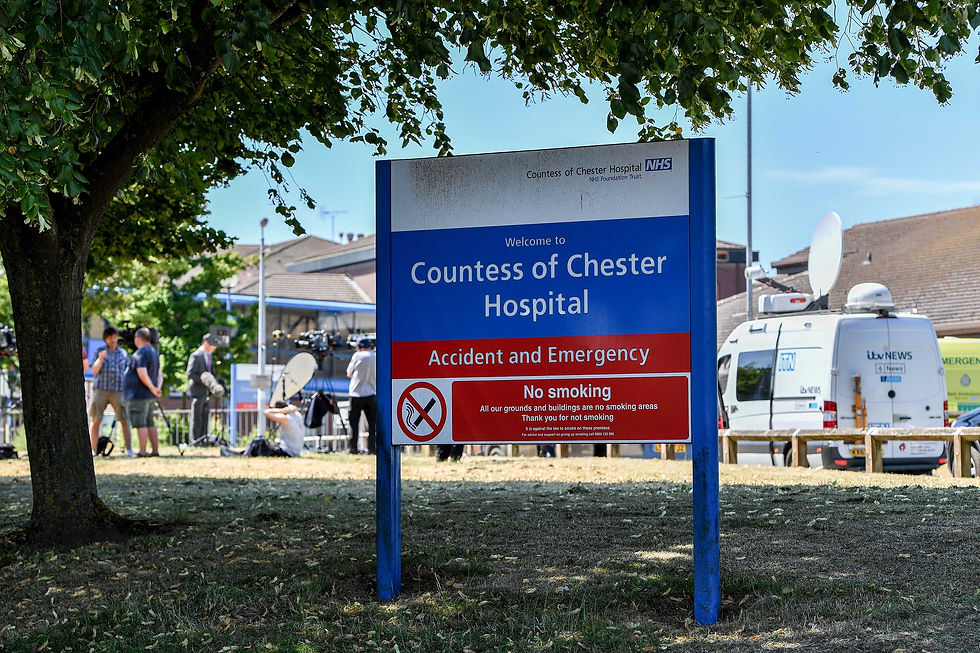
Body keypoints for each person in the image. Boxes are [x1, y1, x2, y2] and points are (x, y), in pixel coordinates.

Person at [88, 326, 134, 456]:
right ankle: (93, 449)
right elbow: (94, 371)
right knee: (96, 419)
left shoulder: (123, 353)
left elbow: (128, 371)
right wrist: (100, 359)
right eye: (110, 337)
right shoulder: (99, 351)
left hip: (118, 390)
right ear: (105, 339)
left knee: (124, 419)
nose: (113, 340)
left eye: (115, 337)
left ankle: (129, 449)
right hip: (101, 389)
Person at [123, 327, 161, 457]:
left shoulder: (141, 352)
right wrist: (156, 389)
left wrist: (152, 388)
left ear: (138, 339)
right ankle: (155, 450)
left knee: (140, 423)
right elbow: (160, 373)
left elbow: (142, 372)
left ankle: (142, 451)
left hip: (138, 394)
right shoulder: (154, 352)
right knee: (150, 421)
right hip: (149, 395)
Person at [346, 338, 377, 454]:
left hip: (356, 393)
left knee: (354, 423)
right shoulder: (375, 356)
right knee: (372, 424)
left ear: (359, 346)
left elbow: (349, 373)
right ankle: (372, 448)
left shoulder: (357, 356)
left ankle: (353, 448)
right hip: (371, 393)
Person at [186, 334, 218, 445]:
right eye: (213, 345)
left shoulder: (209, 357)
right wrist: (204, 380)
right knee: (197, 418)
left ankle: (204, 440)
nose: (215, 348)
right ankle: (195, 441)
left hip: (207, 392)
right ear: (206, 343)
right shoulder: (196, 355)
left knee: (205, 417)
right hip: (197, 391)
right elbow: (190, 373)